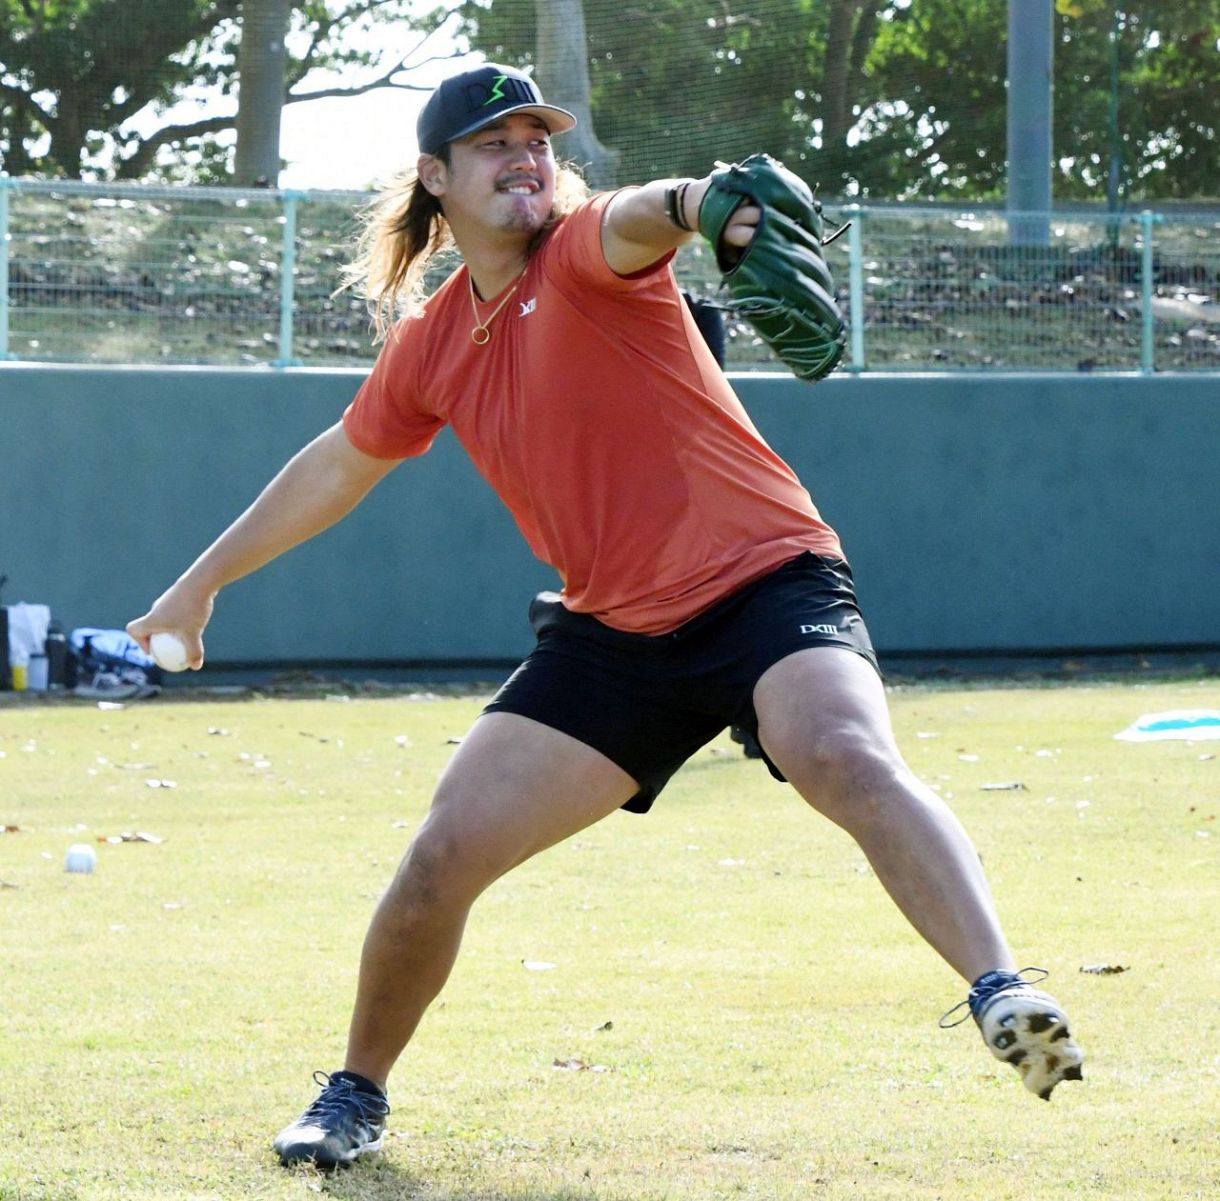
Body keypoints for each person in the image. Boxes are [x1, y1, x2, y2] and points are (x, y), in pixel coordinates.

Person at [127, 63, 1083, 1170]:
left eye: (537, 140)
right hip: (614, 632)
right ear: (435, 178)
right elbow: (339, 466)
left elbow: (652, 212)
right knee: (441, 856)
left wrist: (704, 202)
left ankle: (1000, 989)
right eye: (493, 145)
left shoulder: (582, 253)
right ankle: (353, 1092)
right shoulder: (432, 342)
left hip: (765, 579)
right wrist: (199, 584)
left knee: (841, 752)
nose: (524, 156)